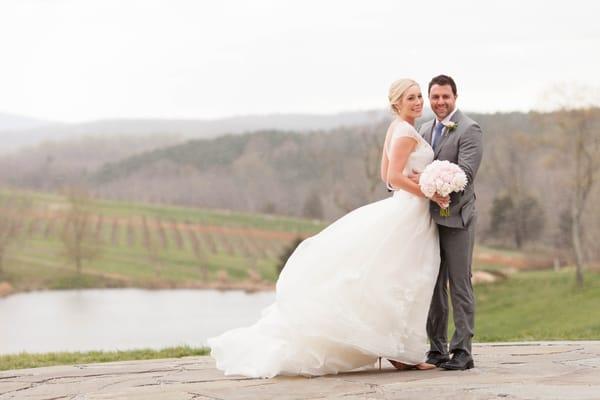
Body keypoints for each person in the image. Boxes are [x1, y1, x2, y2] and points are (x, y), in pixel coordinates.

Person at [208, 79, 445, 378]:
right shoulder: (407, 132)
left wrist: (417, 179)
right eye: (411, 97)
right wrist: (426, 189)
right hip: (409, 212)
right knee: (402, 277)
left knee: (394, 275)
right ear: (397, 103)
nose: (418, 102)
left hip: (408, 208)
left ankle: (399, 350)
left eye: (419, 96)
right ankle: (401, 352)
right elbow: (394, 177)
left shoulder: (397, 128)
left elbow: (386, 175)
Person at [412, 75, 483, 370]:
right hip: (428, 220)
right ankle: (437, 348)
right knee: (433, 284)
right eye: (435, 97)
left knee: (460, 284)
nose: (440, 102)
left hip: (457, 219)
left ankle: (463, 351)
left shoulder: (470, 129)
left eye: (445, 97)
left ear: (455, 97)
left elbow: (465, 175)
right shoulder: (425, 129)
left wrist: (440, 194)